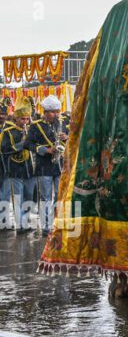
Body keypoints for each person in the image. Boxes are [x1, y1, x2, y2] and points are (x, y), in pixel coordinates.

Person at [25, 95, 65, 234]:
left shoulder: (59, 123)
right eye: (54, 111)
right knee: (46, 197)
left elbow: (67, 140)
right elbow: (27, 144)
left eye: (57, 111)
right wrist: (45, 150)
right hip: (44, 166)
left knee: (59, 195)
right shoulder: (36, 126)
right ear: (46, 111)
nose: (56, 114)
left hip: (59, 165)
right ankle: (46, 227)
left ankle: (56, 222)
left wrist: (66, 137)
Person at [0, 98, 33, 231]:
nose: (25, 122)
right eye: (22, 119)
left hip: (29, 169)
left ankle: (25, 222)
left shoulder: (31, 130)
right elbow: (6, 149)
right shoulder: (8, 132)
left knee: (30, 196)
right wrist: (23, 143)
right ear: (16, 119)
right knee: (17, 198)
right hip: (14, 169)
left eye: (26, 119)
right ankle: (20, 225)